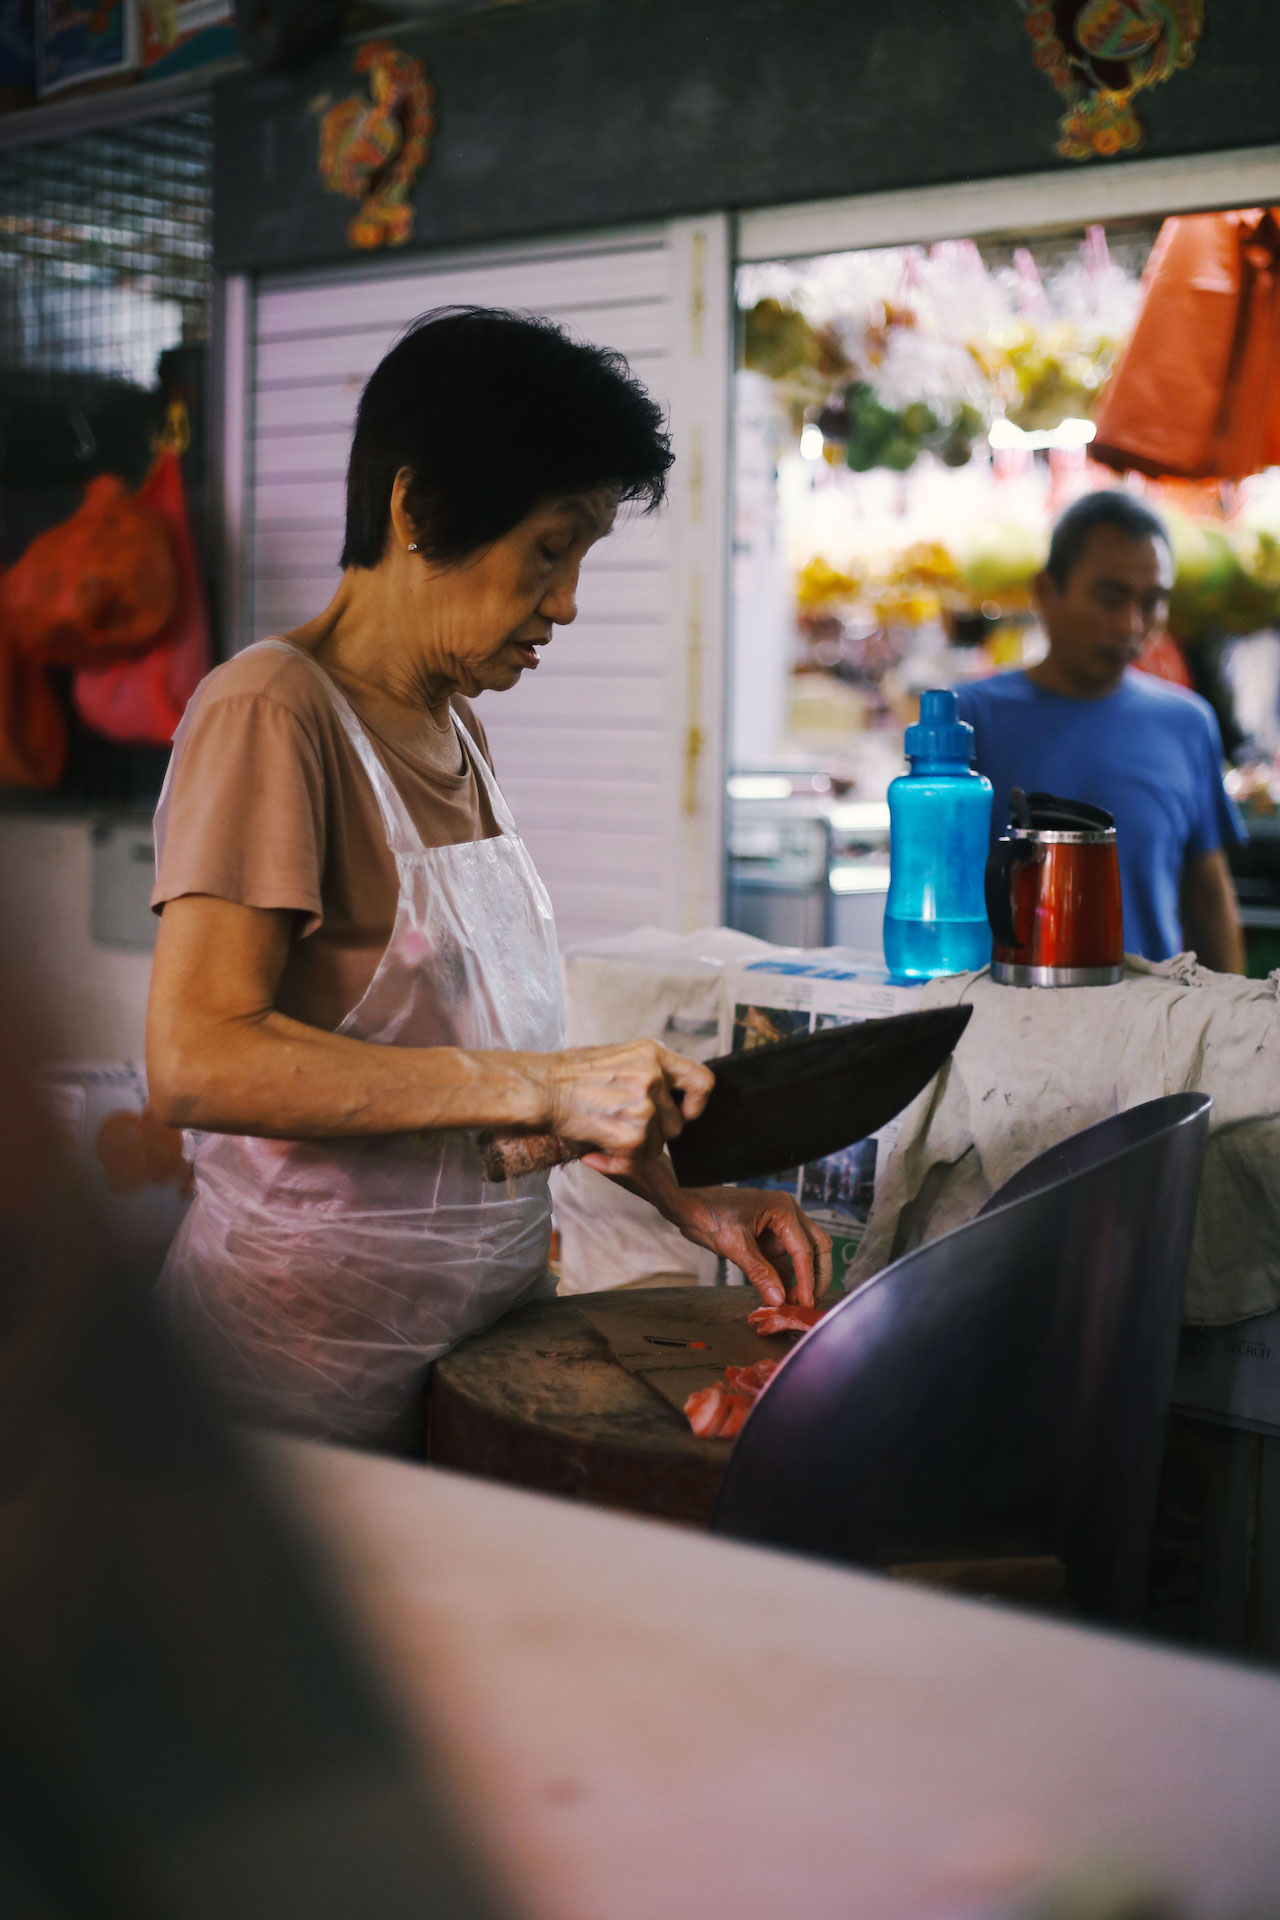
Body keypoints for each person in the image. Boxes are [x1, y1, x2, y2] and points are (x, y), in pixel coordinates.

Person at [147, 307, 831, 1448]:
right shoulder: (271, 711)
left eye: (581, 558)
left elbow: (471, 1090)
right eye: (549, 549)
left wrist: (683, 1199)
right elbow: (196, 1055)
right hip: (289, 1387)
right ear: (417, 509)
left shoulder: (451, 726)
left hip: (469, 1353)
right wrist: (549, 1083)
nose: (563, 603)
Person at [955, 491, 1246, 971]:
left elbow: (1208, 897)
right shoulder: (970, 719)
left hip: (1154, 1030)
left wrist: (1242, 1028)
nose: (1132, 625)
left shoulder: (1187, 724)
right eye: (1110, 599)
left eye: (1152, 602)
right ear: (1047, 593)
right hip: (1002, 1022)